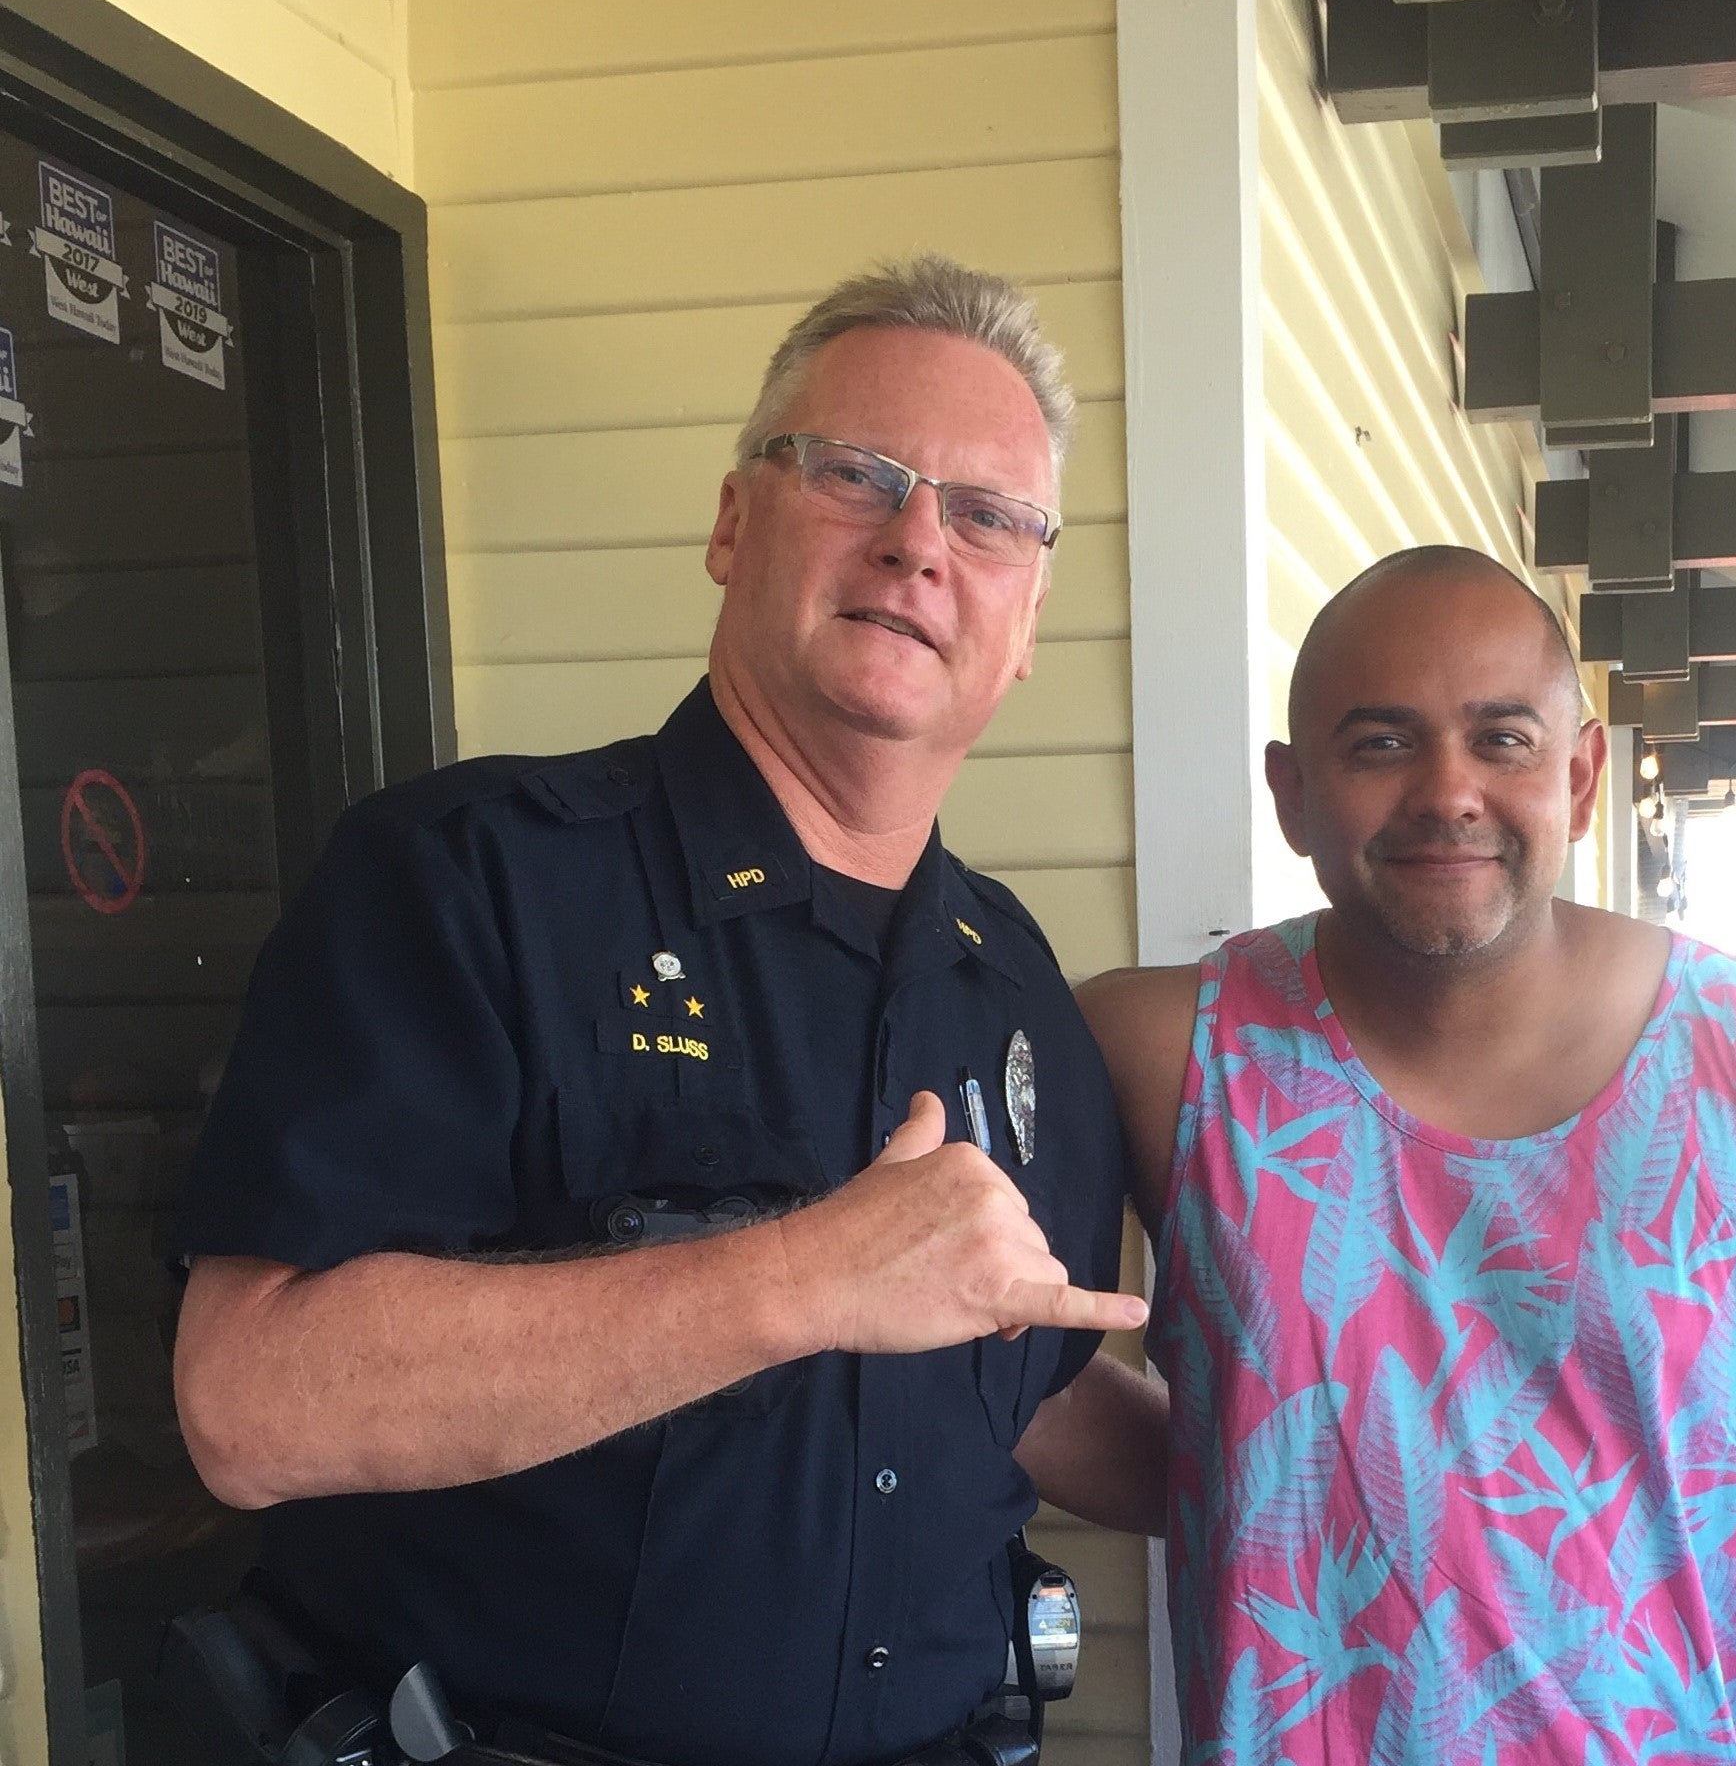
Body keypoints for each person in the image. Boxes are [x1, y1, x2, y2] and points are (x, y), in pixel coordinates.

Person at [169, 258, 1163, 1766]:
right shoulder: (470, 881)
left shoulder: (1013, 982)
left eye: (986, 516)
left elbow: (1010, 1387)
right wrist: (796, 1279)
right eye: (858, 474)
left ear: (1025, 625)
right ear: (731, 523)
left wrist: (1329, 1463)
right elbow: (250, 1402)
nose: (916, 543)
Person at [1080, 546, 1736, 1765]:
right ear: (1290, 793)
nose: (1448, 792)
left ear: (1582, 773)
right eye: (1380, 742)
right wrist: (1253, 1470)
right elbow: (992, 1381)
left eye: (1503, 740)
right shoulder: (1166, 1052)